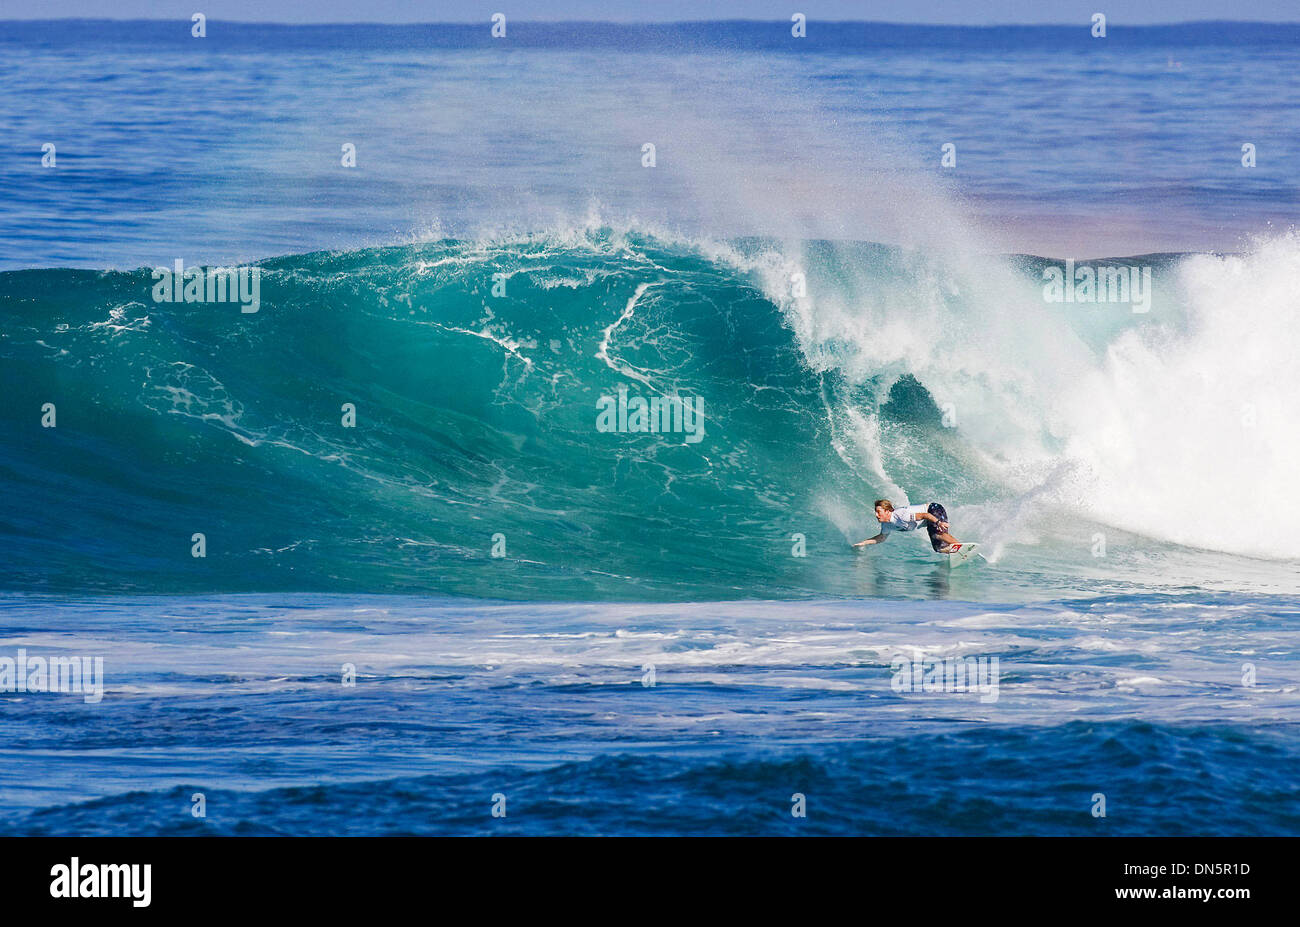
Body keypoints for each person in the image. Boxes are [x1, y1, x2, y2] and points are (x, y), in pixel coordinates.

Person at [853, 498, 963, 553]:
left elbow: (925, 515)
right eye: (876, 512)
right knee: (939, 548)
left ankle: (960, 547)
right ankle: (957, 552)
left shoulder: (901, 515)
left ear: (887, 511)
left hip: (933, 510)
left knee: (937, 534)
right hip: (927, 519)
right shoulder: (886, 525)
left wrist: (938, 523)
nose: (876, 515)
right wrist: (864, 543)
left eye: (878, 512)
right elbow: (881, 538)